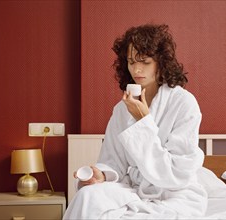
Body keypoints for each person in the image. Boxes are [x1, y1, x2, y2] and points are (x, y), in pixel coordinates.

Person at [63, 24, 207, 219]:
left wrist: (143, 121)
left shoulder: (184, 103)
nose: (136, 69)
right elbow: (113, 162)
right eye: (131, 62)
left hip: (174, 194)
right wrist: (103, 175)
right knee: (87, 196)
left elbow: (175, 173)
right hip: (134, 189)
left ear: (161, 63)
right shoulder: (122, 109)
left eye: (145, 62)